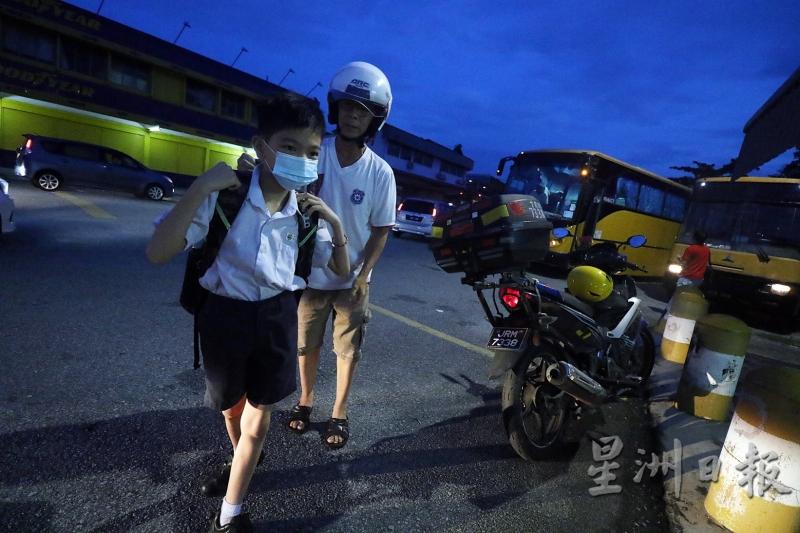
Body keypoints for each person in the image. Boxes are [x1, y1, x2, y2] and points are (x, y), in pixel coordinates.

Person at [146, 92, 349, 532]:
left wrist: (334, 223)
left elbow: (341, 271)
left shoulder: (308, 216)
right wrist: (200, 186)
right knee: (230, 411)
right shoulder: (225, 198)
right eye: (290, 147)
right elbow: (158, 251)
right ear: (261, 146)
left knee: (259, 418)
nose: (302, 160)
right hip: (223, 319)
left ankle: (232, 512)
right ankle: (242, 458)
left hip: (277, 319)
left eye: (312, 152)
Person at [242, 62, 395, 449]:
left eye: (362, 110)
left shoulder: (381, 173)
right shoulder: (314, 152)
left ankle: (339, 413)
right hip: (309, 277)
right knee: (304, 345)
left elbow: (381, 232)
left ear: (374, 118)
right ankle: (306, 402)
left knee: (346, 350)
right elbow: (277, 182)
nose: (353, 114)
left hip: (353, 282)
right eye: (347, 106)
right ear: (335, 108)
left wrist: (363, 276)